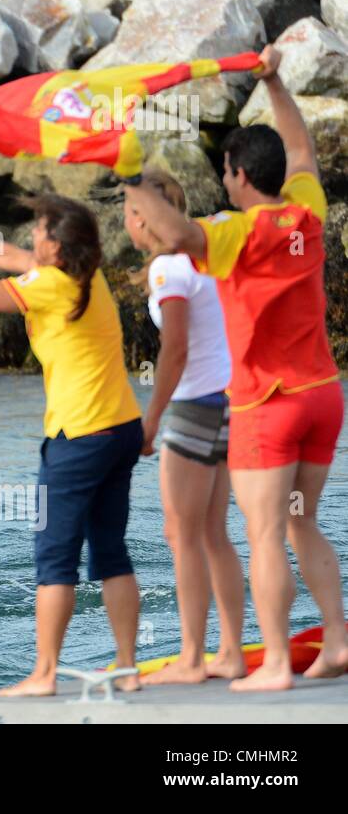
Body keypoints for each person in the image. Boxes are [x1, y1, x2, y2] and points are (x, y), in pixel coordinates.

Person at [123, 45, 347, 691]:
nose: (223, 182)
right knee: (303, 518)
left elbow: (175, 232)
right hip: (324, 395)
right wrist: (274, 80)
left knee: (267, 531)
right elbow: (300, 148)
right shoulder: (306, 210)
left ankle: (275, 663)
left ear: (240, 177)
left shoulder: (236, 236)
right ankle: (334, 641)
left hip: (267, 403)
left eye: (226, 173)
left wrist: (130, 176)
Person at [0, 191, 143, 696]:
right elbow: (12, 257)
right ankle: (128, 668)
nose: (30, 238)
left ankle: (43, 675)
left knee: (54, 555)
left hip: (79, 438)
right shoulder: (88, 275)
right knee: (110, 551)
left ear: (57, 246)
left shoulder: (51, 286)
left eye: (40, 230)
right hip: (122, 429)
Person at [125, 168, 245, 684]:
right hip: (230, 401)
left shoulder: (167, 270)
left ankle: (193, 659)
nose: (128, 223)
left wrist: (150, 422)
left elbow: (174, 349)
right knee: (214, 532)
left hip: (195, 406)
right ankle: (231, 653)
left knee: (181, 535)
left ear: (142, 218)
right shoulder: (206, 254)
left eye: (130, 213)